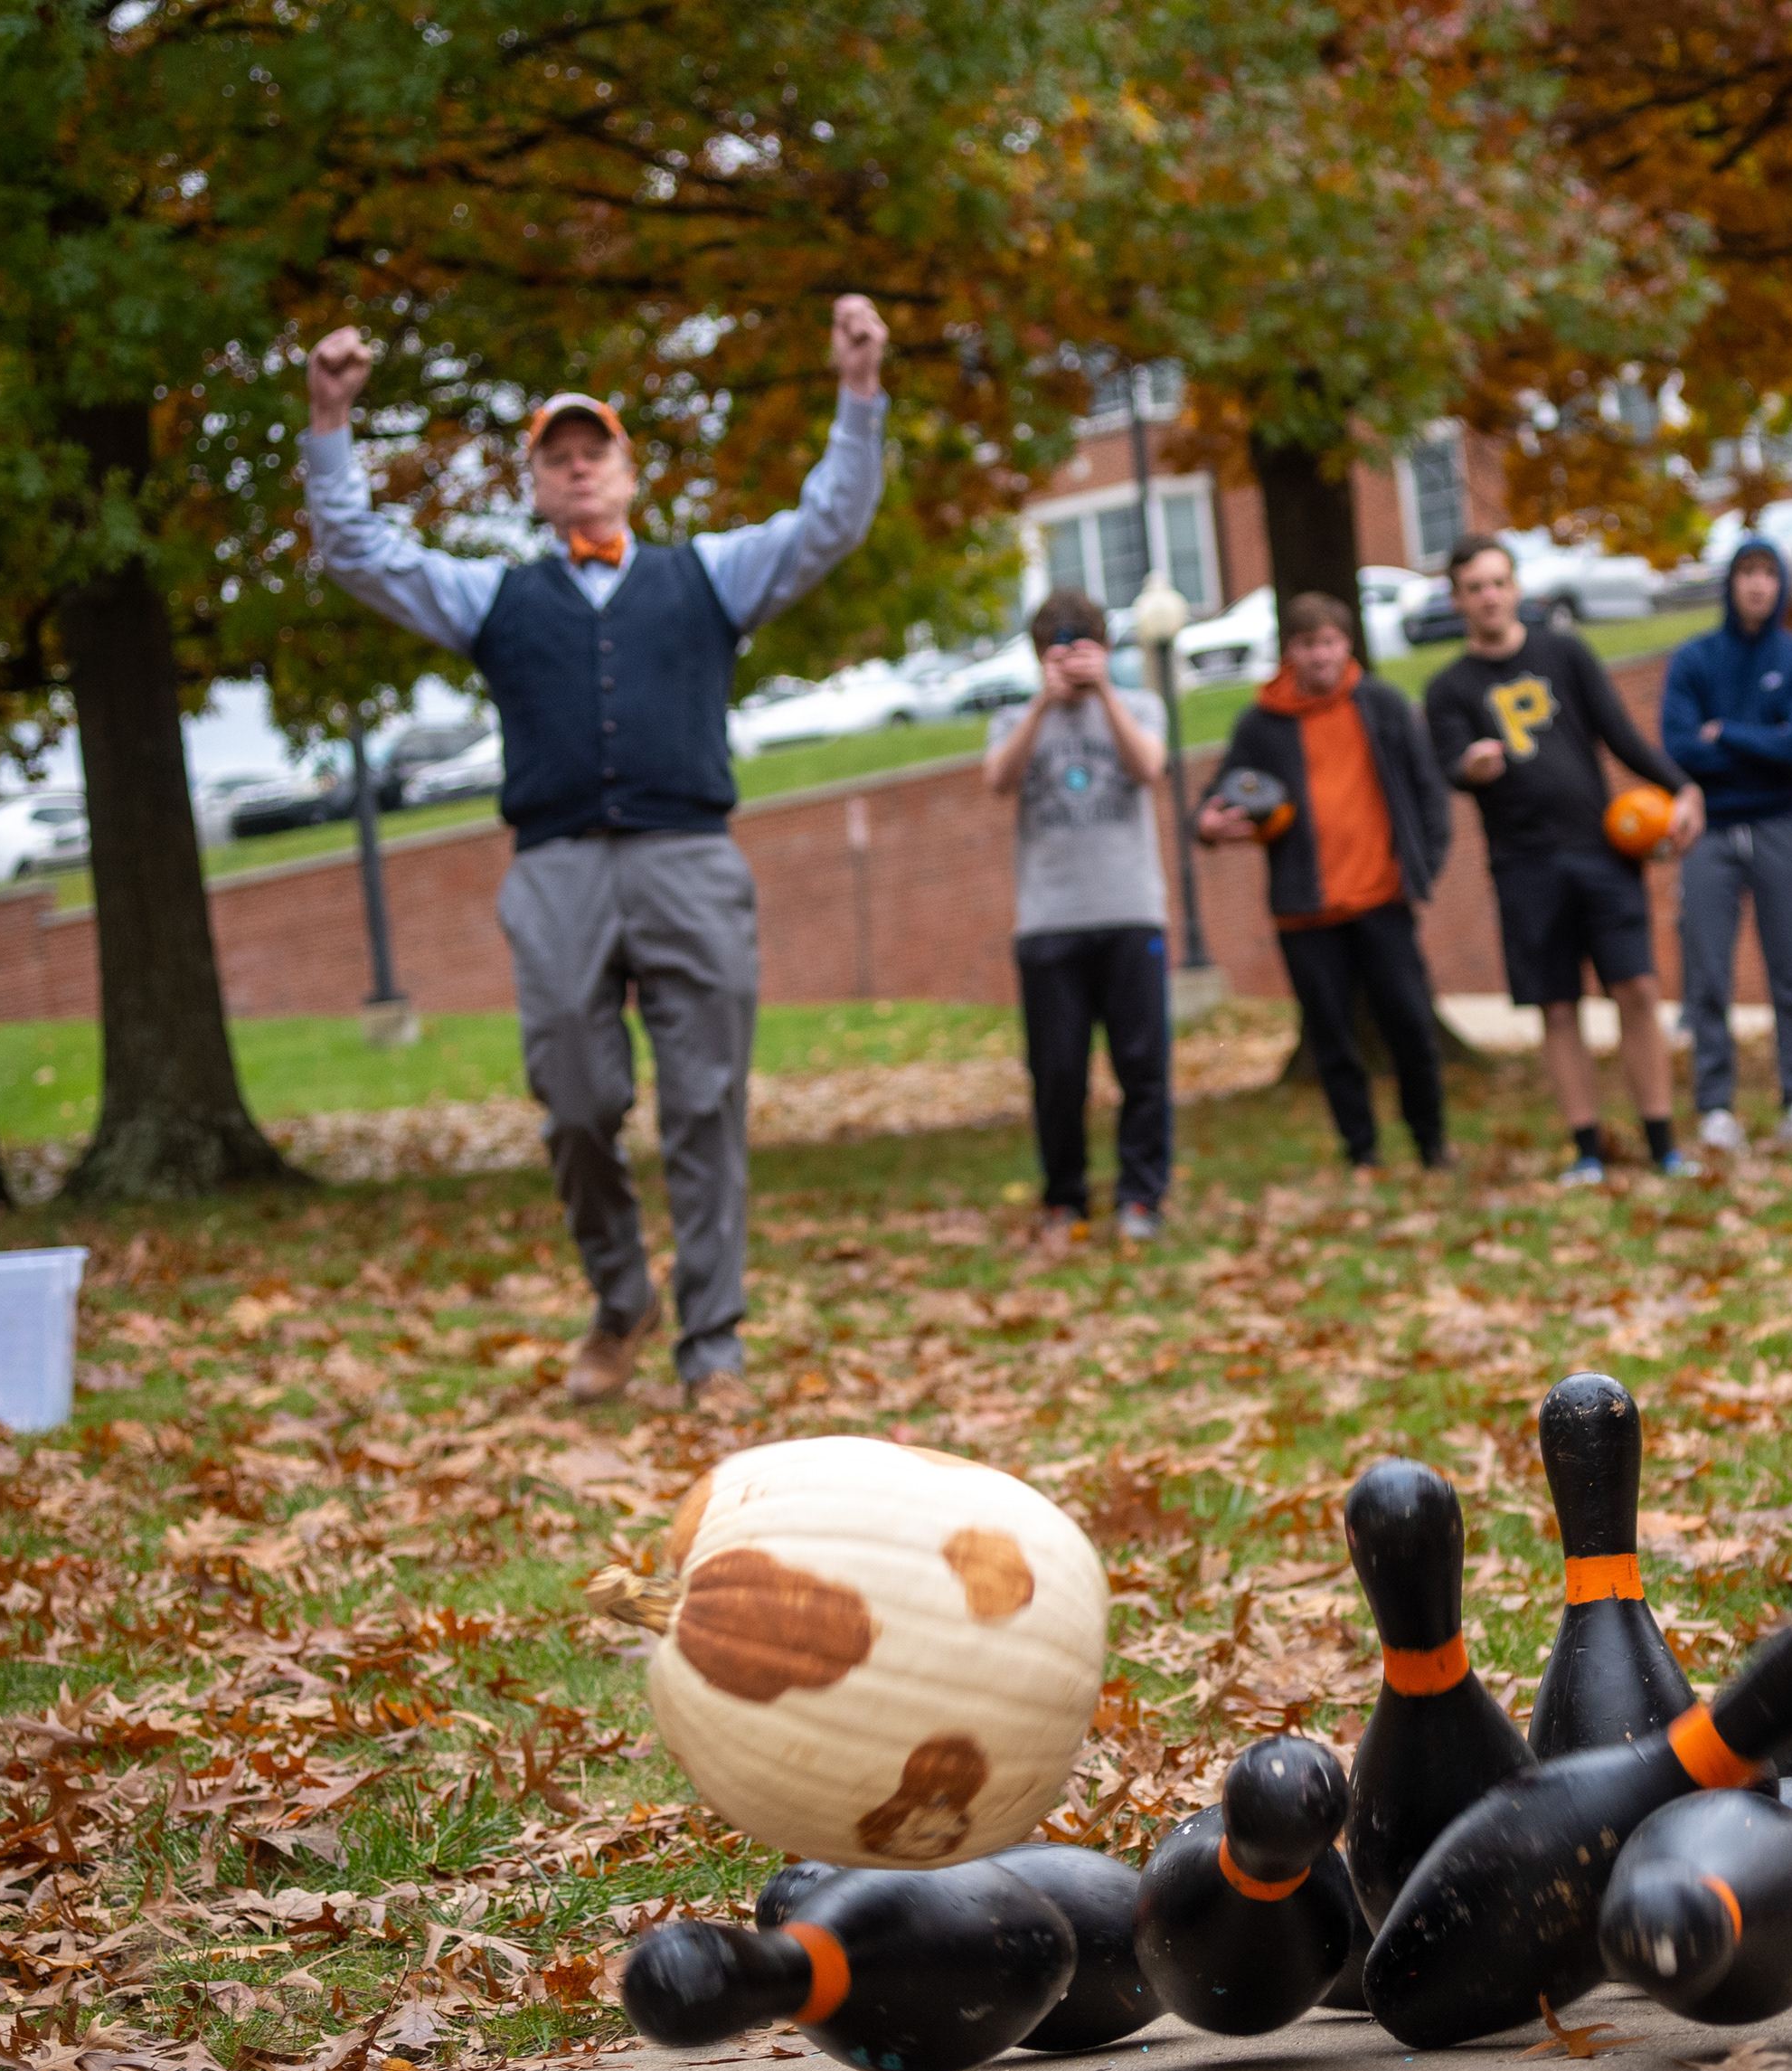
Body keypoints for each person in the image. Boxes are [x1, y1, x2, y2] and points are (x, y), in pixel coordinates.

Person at [300, 300, 888, 1402]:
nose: (577, 471)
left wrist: (858, 394)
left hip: (690, 861)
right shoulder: (495, 597)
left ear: (628, 472)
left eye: (594, 452)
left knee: (707, 1104)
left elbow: (831, 519)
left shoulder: (712, 575)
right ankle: (623, 1297)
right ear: (536, 485)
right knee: (572, 1100)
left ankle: (712, 1342)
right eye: (556, 458)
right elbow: (358, 551)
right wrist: (330, 420)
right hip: (557, 869)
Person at [1422, 534, 1702, 1185]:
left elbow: (1620, 733)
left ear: (1515, 588)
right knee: (1556, 1004)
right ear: (1459, 600)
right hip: (1524, 865)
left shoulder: (1564, 654)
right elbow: (1449, 764)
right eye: (1475, 588)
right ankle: (1586, 1150)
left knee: (1636, 987)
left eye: (1498, 583)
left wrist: (1679, 786)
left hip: (1601, 852)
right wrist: (1472, 764)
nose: (1489, 597)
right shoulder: (1449, 689)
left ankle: (1663, 1142)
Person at [1198, 593, 1452, 1173]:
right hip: (1305, 910)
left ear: (1348, 644)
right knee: (1332, 1040)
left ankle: (1431, 1144)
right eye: (1309, 645)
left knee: (1411, 1026)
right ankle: (1361, 1151)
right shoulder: (1261, 724)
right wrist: (1211, 826)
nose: (1321, 656)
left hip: (1382, 900)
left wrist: (1421, 869)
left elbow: (1428, 791)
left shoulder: (1383, 704)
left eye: (1331, 642)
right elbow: (1216, 800)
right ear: (1290, 651)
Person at [983, 586, 1174, 1244]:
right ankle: (1064, 1198)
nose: (1068, 662)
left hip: (1129, 912)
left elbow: (1150, 767)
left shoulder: (1140, 706)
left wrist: (1105, 696)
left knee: (1143, 1064)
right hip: (1048, 920)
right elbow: (998, 781)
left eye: (1081, 649)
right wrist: (1044, 703)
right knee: (1058, 1073)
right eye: (1055, 653)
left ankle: (1142, 1196)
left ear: (1106, 649)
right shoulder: (1016, 719)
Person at [1659, 537, 1792, 1151]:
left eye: (1767, 574)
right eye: (1746, 573)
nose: (1757, 585)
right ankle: (1715, 1108)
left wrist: (1726, 732)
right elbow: (1679, 746)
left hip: (1781, 826)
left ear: (1781, 583)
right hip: (1711, 834)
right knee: (1707, 971)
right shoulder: (1695, 661)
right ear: (1729, 584)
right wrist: (1760, 740)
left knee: (1791, 972)